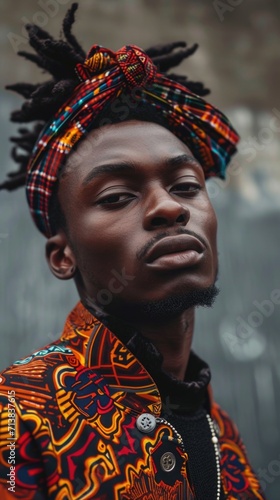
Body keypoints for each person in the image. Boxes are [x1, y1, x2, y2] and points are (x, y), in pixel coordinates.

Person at [0, 3, 266, 499]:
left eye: (186, 185)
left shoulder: (223, 434)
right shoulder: (16, 416)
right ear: (63, 256)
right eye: (117, 197)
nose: (168, 207)